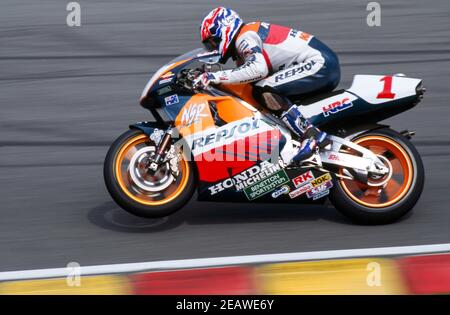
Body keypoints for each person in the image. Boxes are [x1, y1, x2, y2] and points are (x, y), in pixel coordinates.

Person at [194, 7, 341, 162]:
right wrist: (211, 81)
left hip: (319, 64)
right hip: (320, 63)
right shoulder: (243, 43)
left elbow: (258, 69)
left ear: (225, 30)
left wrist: (214, 77)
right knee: (258, 90)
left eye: (213, 42)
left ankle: (312, 136)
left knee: (263, 88)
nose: (213, 48)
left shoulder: (245, 37)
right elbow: (243, 80)